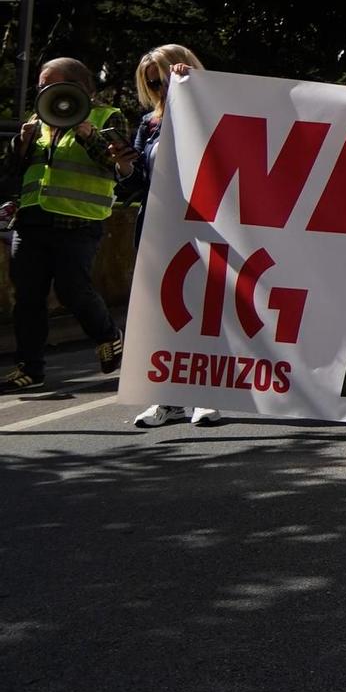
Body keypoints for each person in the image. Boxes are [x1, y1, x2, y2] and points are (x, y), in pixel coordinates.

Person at [1, 58, 133, 394]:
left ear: (78, 85)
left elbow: (119, 167)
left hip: (79, 220)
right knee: (27, 297)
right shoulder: (38, 118)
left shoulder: (107, 116)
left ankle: (107, 335)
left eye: (52, 83)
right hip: (31, 219)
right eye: (42, 84)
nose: (44, 90)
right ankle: (30, 369)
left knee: (73, 289)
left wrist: (88, 135)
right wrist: (21, 144)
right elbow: (11, 170)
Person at [122, 46, 221, 428]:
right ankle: (167, 398)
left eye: (161, 80)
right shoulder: (148, 123)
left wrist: (194, 86)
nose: (158, 89)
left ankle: (206, 394)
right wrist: (124, 164)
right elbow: (137, 185)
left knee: (205, 311)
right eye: (151, 84)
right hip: (158, 227)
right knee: (162, 313)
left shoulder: (213, 112)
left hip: (205, 225)